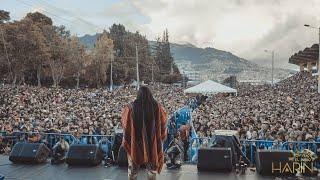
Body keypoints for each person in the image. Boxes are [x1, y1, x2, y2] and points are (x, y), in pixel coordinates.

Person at [121, 86, 167, 180]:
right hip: (152, 142)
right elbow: (163, 122)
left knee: (133, 169)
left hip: (135, 142)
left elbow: (125, 123)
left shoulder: (131, 107)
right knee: (151, 169)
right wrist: (160, 137)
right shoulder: (157, 106)